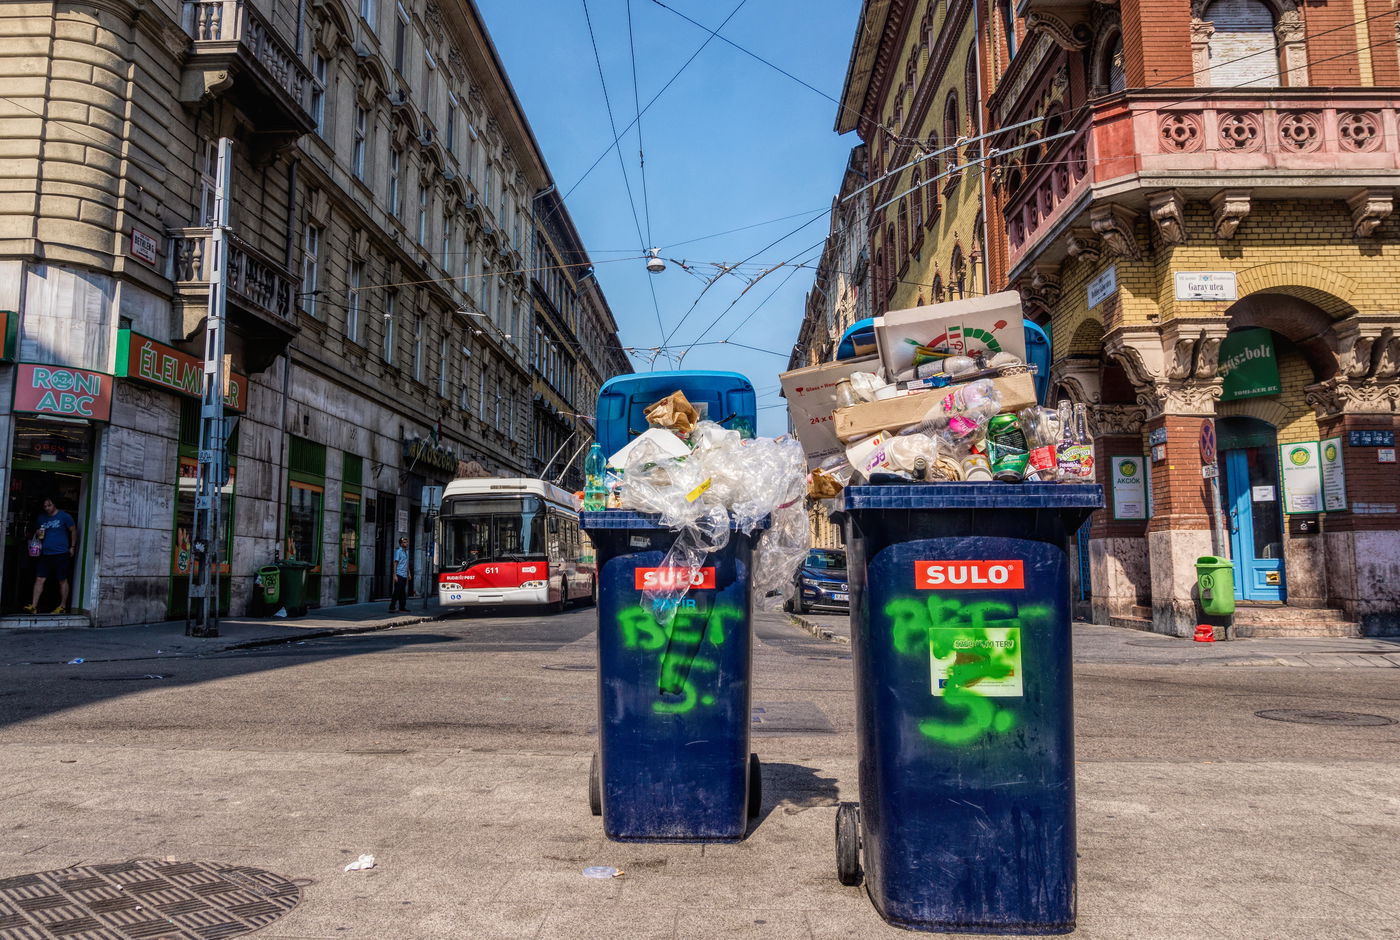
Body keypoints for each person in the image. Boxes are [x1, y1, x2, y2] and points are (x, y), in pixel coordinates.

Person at [26, 497, 77, 614]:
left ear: (54, 504)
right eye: (45, 506)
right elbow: (39, 535)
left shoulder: (64, 516)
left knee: (62, 580)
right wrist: (37, 533)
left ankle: (62, 606)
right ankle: (34, 606)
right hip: (45, 553)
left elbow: (73, 530)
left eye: (49, 505)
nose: (47, 508)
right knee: (39, 579)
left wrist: (72, 547)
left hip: (61, 553)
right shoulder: (41, 518)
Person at [390, 536, 410, 612]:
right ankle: (392, 607)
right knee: (396, 592)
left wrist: (409, 573)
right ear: (401, 544)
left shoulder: (406, 552)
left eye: (406, 542)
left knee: (402, 592)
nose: (406, 543)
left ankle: (402, 607)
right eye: (404, 542)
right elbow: (395, 563)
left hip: (404, 574)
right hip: (399, 574)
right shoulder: (398, 551)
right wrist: (394, 575)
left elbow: (406, 564)